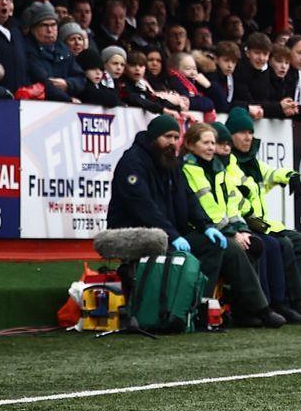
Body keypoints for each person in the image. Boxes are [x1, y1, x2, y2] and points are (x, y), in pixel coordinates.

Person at [109, 116, 284, 328]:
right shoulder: (133, 163)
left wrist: (206, 226)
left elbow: (189, 199)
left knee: (228, 247)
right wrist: (172, 235)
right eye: (167, 137)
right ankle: (190, 308)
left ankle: (249, 309)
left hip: (172, 231)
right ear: (154, 137)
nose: (173, 142)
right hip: (137, 231)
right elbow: (143, 207)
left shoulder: (168, 161)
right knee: (215, 247)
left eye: (176, 137)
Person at [223, 108, 301, 323]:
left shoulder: (253, 163)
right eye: (241, 132)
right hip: (247, 221)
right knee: (281, 243)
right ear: (230, 136)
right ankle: (278, 303)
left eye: (250, 132)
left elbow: (273, 173)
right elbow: (237, 205)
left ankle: (298, 300)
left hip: (259, 222)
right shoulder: (230, 165)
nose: (248, 137)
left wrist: (292, 176)